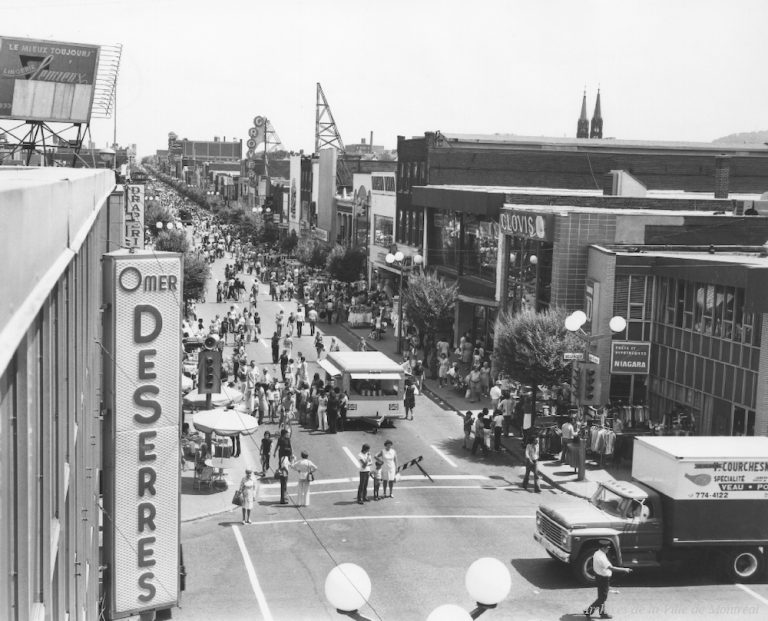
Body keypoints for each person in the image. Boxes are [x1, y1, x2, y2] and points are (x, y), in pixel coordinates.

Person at [584, 540, 632, 619]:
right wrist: (625, 570)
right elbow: (611, 568)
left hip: (598, 576)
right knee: (602, 597)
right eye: (607, 548)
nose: (608, 549)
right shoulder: (601, 557)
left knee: (601, 596)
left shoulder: (597, 553)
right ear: (603, 548)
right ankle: (588, 611)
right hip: (603, 578)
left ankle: (602, 613)